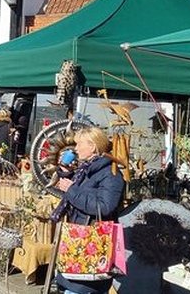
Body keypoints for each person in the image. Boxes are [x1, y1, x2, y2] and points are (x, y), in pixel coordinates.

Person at [52, 126, 125, 294]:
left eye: (80, 144)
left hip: (92, 244)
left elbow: (105, 207)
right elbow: (83, 192)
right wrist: (66, 174)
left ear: (92, 146)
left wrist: (71, 190)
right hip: (77, 242)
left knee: (80, 289)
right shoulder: (88, 170)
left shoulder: (111, 174)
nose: (76, 149)